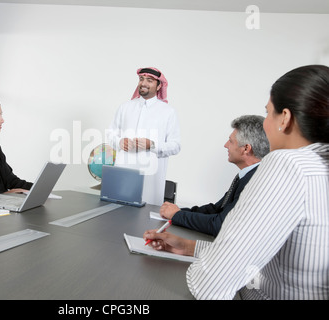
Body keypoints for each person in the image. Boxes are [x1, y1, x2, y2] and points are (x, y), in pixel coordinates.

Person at [144, 65, 329, 300]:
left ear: (286, 118)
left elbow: (211, 283)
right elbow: (264, 255)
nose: (265, 124)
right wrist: (188, 246)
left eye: (268, 112)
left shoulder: (288, 164)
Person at [160, 115, 269, 236]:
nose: (226, 145)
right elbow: (216, 209)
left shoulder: (255, 181)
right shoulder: (247, 175)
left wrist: (177, 215)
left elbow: (220, 224)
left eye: (231, 141)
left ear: (246, 148)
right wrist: (178, 211)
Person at [107, 67, 181, 206]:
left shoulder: (168, 112)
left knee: (146, 221)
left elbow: (176, 146)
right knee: (116, 217)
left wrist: (151, 145)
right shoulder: (125, 107)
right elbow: (111, 134)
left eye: (150, 80)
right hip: (124, 175)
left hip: (150, 180)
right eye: (141, 79)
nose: (144, 83)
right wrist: (119, 142)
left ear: (159, 85)